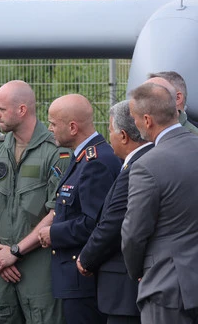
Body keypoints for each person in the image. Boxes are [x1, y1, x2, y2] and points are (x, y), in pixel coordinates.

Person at [0, 80, 70, 324]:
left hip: (39, 265)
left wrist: (16, 252)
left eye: (1, 109)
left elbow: (56, 210)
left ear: (22, 110)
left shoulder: (56, 153)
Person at [38, 94, 120, 324]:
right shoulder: (83, 158)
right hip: (74, 277)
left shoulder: (97, 162)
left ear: (73, 127)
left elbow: (94, 223)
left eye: (53, 123)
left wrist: (52, 234)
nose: (50, 128)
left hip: (85, 278)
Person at [122, 83, 198, 324]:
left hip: (168, 287)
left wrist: (138, 272)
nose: (133, 124)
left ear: (147, 120)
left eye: (134, 118)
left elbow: (134, 233)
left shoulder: (147, 165)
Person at [76, 100, 152, 324]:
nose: (107, 137)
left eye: (109, 130)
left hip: (125, 288)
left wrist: (86, 259)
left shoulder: (136, 167)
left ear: (124, 136)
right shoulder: (145, 160)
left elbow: (114, 222)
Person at [146, 71, 198, 135]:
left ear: (177, 98)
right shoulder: (138, 133)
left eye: (151, 95)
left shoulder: (194, 135)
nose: (142, 101)